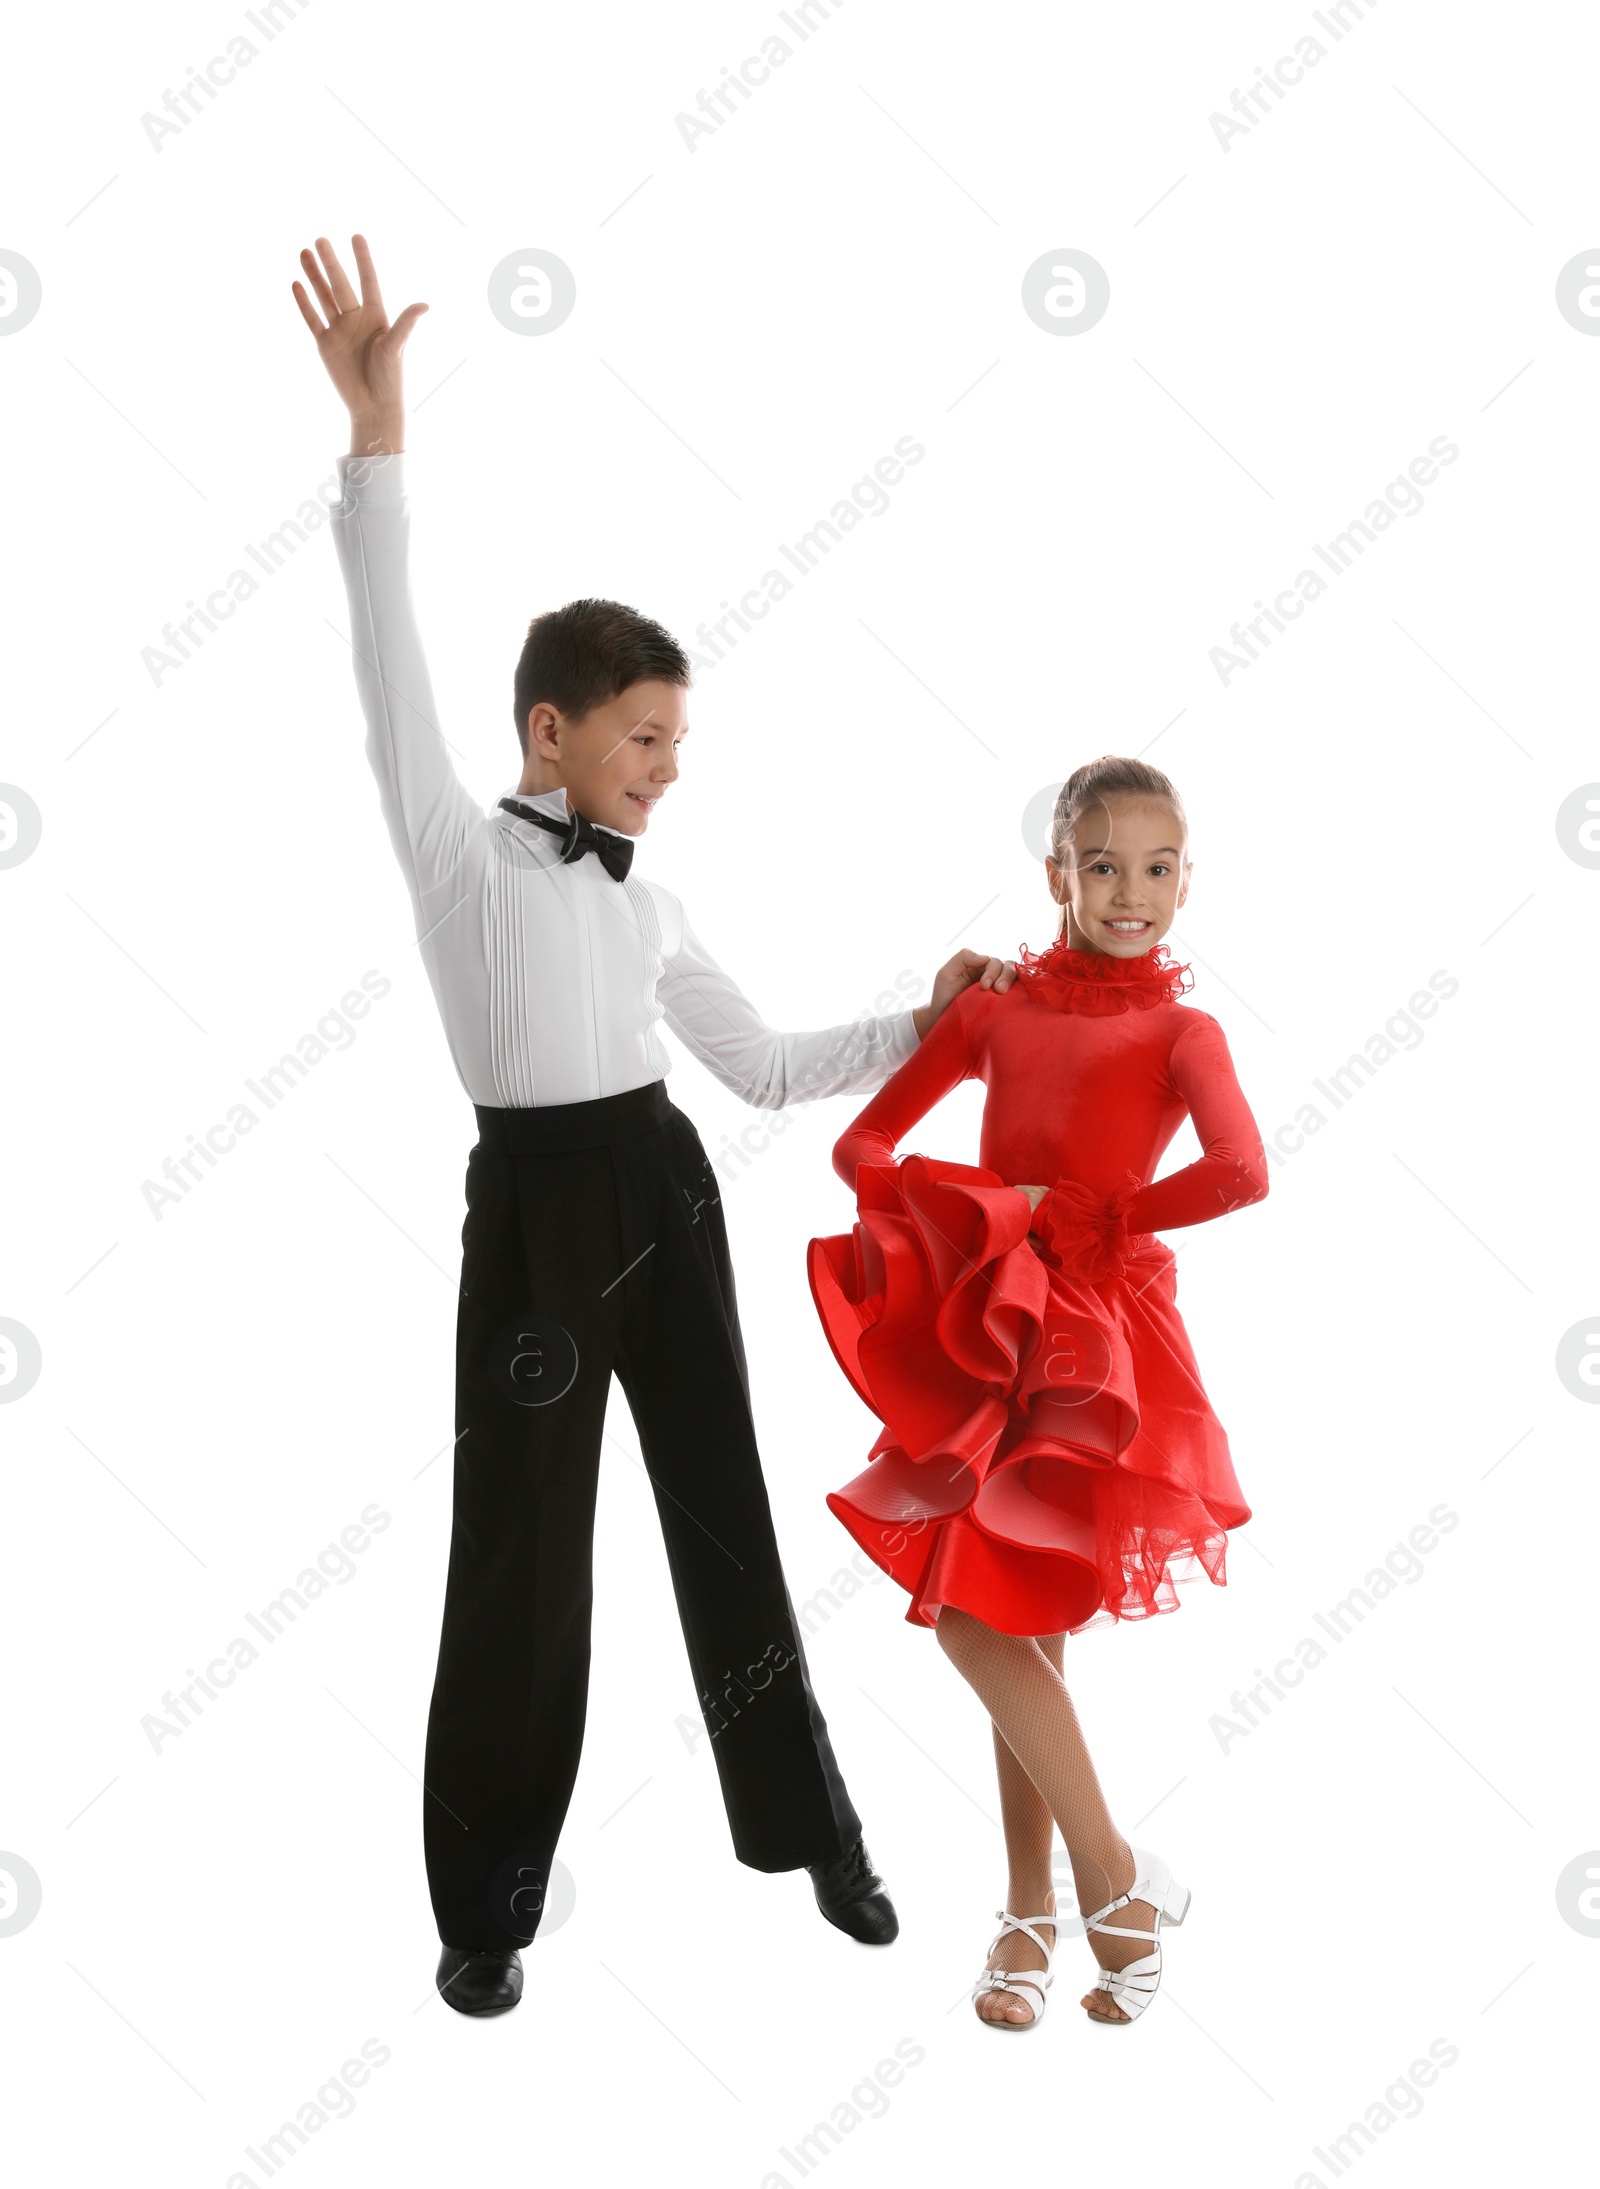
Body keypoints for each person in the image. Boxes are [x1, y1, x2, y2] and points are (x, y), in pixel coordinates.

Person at [291, 234, 1019, 2016]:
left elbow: (764, 1068)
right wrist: (379, 445)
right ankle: (488, 1904)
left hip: (663, 1191)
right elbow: (386, 659)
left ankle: (815, 1829)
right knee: (523, 1551)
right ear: (548, 731)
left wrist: (932, 1020)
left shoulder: (656, 909)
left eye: (677, 737)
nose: (666, 764)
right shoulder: (465, 851)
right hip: (534, 1212)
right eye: (640, 735)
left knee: (722, 1515)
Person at [808, 757, 1269, 2027]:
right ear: (1055, 872)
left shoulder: (1184, 1029)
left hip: (1097, 1344)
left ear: (1188, 877)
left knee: (1005, 1616)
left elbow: (1240, 1169)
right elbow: (860, 1146)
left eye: (1158, 867)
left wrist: (1107, 1214)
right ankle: (1095, 1890)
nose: (1132, 892)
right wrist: (974, 1212)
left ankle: (1060, 1908)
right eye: (1103, 864)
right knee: (992, 1612)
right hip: (986, 1321)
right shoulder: (995, 1014)